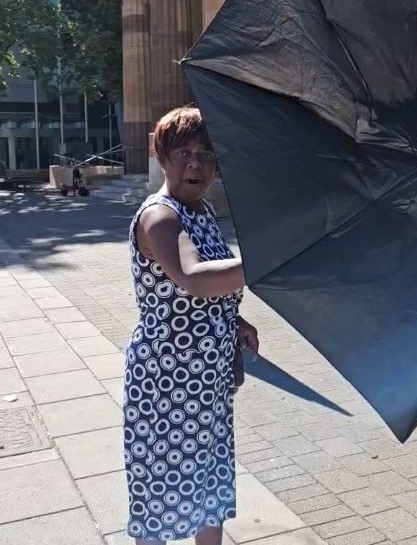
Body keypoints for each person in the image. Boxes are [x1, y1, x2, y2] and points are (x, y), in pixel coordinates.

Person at [124, 105, 259, 545]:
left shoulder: (201, 213)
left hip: (209, 382)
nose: (195, 162)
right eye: (182, 152)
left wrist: (234, 318)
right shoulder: (161, 216)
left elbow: (203, 291)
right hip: (167, 385)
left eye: (205, 152)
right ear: (160, 157)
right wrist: (264, 261)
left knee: (210, 484)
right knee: (161, 492)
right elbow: (193, 278)